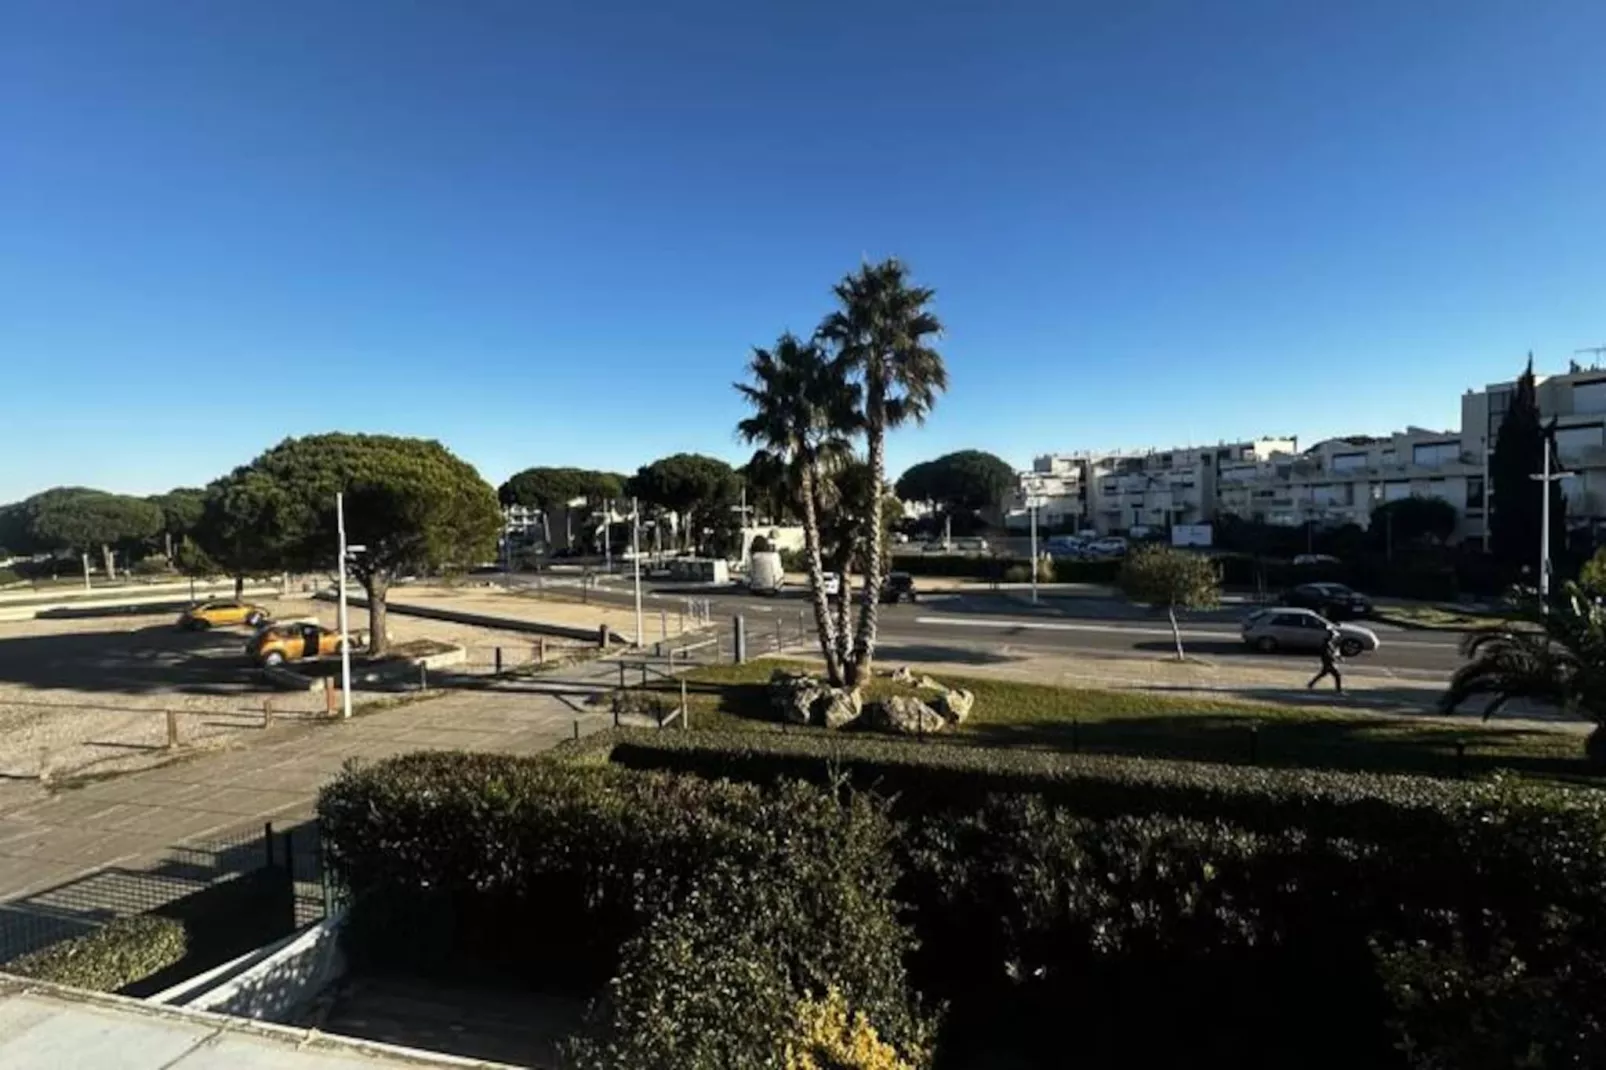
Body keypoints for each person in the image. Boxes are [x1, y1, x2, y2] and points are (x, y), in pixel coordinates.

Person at [1308, 627, 1344, 694]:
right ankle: (1339, 690)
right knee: (1337, 675)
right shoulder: (1327, 644)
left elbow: (1334, 652)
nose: (1336, 638)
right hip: (1328, 662)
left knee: (1323, 673)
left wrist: (1338, 657)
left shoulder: (1330, 643)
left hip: (1328, 662)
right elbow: (1327, 655)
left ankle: (1310, 684)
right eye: (1335, 636)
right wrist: (1332, 661)